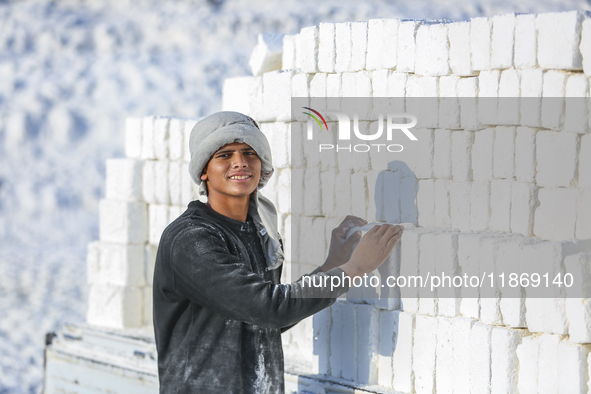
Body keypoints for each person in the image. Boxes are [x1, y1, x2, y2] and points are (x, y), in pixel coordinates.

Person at [152, 111, 403, 393]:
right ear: (203, 170)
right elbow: (269, 308)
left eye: (250, 152)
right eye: (224, 155)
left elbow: (261, 323)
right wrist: (354, 269)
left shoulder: (260, 232)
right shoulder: (192, 239)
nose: (240, 162)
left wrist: (332, 264)